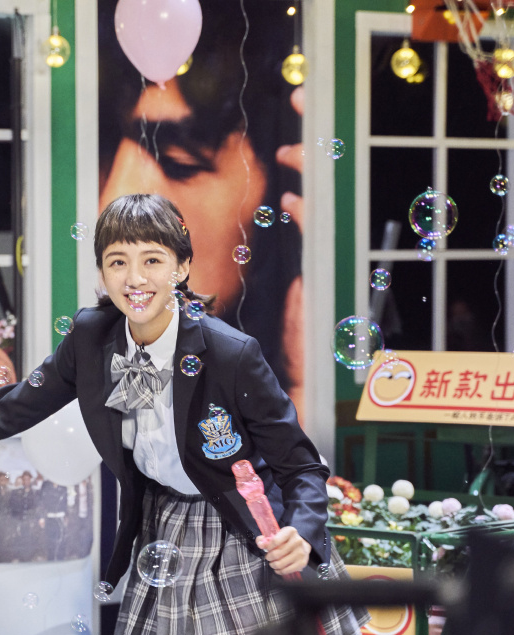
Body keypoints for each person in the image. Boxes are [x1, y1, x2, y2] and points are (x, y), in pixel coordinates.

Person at [0, 194, 368, 635]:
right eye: (117, 261)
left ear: (182, 267)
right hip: (163, 525)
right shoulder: (91, 339)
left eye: (152, 260)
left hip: (244, 531)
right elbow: (13, 408)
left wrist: (301, 532)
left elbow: (300, 465)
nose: (134, 278)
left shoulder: (231, 354)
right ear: (102, 272)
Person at [98, 0, 307, 420]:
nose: (111, 200)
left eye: (182, 163)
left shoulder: (245, 364)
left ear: (273, 189)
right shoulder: (107, 347)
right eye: (103, 162)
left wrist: (303, 387)